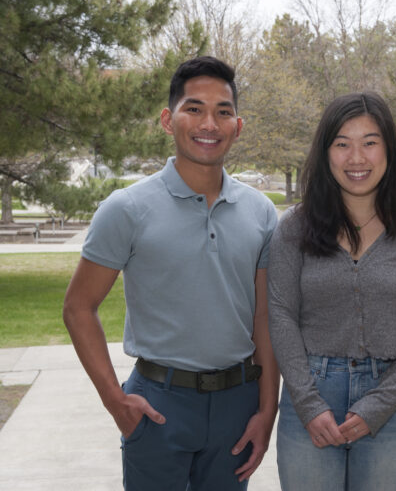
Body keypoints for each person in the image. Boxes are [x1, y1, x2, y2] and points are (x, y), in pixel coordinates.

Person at [62, 56, 279, 491]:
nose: (209, 124)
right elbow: (78, 308)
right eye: (194, 109)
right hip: (159, 403)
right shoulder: (127, 208)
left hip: (237, 404)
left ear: (238, 126)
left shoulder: (261, 212)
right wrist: (116, 401)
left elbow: (263, 318)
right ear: (168, 120)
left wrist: (266, 410)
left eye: (223, 112)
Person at [268, 91, 396, 491]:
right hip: (310, 395)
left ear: (389, 150)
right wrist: (309, 404)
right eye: (342, 144)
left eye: (370, 142)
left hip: (391, 400)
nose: (357, 158)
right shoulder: (293, 228)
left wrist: (380, 404)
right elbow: (280, 314)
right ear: (325, 152)